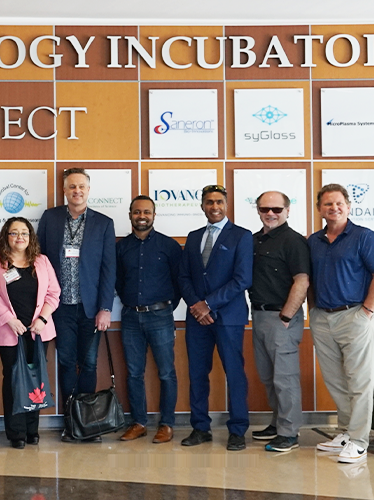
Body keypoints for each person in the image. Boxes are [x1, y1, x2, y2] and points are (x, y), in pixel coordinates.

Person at [308, 184, 374, 464]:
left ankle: (358, 440)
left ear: (348, 206)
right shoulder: (314, 240)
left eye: (339, 203)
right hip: (322, 317)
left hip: (354, 315)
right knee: (335, 380)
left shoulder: (364, 237)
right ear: (319, 208)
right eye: (328, 204)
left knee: (359, 381)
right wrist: (312, 311)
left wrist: (366, 312)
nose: (334, 208)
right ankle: (345, 431)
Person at [36, 167, 115, 442]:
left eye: (81, 186)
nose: (77, 191)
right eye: (72, 187)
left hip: (91, 307)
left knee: (90, 364)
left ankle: (88, 424)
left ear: (89, 190)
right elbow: (40, 260)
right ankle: (71, 422)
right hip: (60, 307)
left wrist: (106, 307)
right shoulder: (50, 218)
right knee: (67, 363)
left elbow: (109, 268)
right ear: (65, 190)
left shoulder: (104, 223)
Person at [177, 184, 252, 451]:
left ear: (227, 204)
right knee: (197, 374)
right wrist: (197, 306)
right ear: (202, 206)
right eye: (209, 202)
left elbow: (242, 279)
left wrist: (209, 304)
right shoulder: (193, 235)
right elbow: (184, 277)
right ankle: (200, 427)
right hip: (197, 319)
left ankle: (238, 430)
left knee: (235, 373)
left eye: (219, 201)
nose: (214, 206)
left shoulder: (242, 236)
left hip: (228, 317)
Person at [0, 218, 60, 449]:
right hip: (10, 331)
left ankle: (32, 430)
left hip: (38, 330)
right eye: (14, 233)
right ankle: (16, 432)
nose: (20, 237)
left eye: (24, 233)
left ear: (31, 237)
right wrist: (10, 320)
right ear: (6, 236)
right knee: (13, 379)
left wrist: (42, 319)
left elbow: (53, 293)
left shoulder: (42, 261)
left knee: (35, 378)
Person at [115, 195, 181, 444]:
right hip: (131, 316)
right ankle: (139, 422)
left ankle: (167, 424)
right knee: (134, 373)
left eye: (146, 212)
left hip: (161, 316)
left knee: (166, 373)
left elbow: (179, 281)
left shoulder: (169, 246)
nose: (141, 216)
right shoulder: (121, 247)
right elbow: (118, 282)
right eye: (137, 212)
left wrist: (165, 307)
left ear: (154, 215)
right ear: (130, 215)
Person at [247, 191, 310, 453]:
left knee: (285, 378)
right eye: (264, 209)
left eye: (276, 209)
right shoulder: (253, 240)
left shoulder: (293, 241)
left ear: (287, 210)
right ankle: (277, 422)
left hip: (281, 317)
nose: (270, 213)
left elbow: (302, 280)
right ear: (258, 211)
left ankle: (289, 432)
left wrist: (286, 315)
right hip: (259, 316)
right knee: (269, 376)